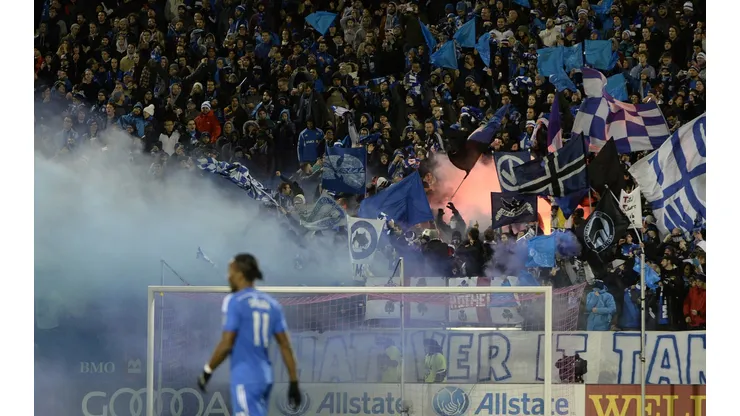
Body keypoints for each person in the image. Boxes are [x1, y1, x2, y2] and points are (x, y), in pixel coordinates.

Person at [197, 253, 302, 416]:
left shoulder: (235, 301)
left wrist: (208, 370)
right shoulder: (272, 304)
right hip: (265, 378)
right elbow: (285, 345)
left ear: (239, 275)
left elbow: (227, 343)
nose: (228, 277)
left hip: (245, 378)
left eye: (230, 272)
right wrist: (294, 381)